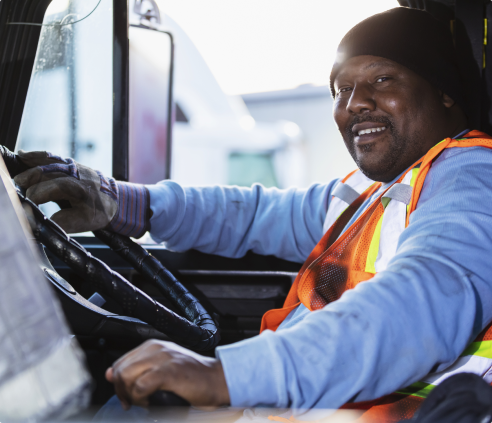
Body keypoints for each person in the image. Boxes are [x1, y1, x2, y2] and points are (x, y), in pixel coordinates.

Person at [13, 7, 492, 422]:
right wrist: (124, 202)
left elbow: (425, 298)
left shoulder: (473, 172)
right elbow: (253, 213)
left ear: (445, 92)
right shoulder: (374, 191)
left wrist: (228, 375)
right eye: (341, 89)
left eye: (382, 80)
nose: (354, 104)